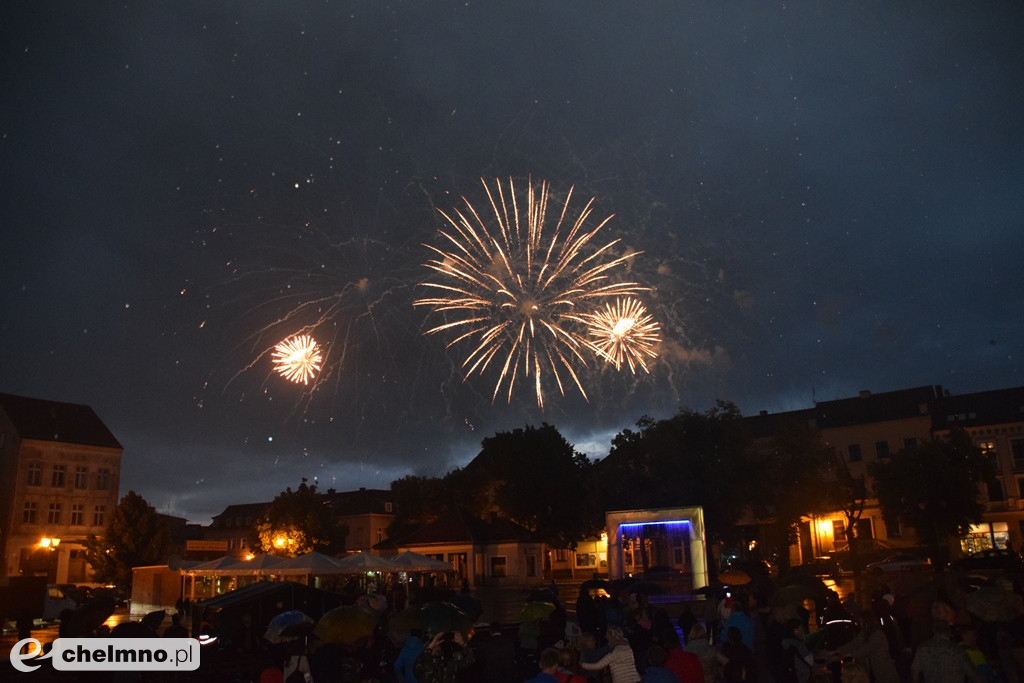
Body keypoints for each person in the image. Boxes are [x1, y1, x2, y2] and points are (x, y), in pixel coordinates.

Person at [911, 620, 982, 683]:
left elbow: (915, 671)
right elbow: (972, 673)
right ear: (949, 631)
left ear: (933, 630)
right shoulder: (956, 649)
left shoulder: (922, 647)